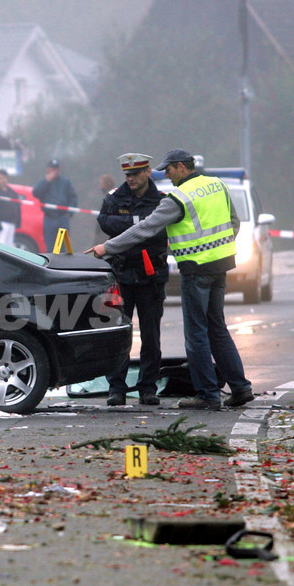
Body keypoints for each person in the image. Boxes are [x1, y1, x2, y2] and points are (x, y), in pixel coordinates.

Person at [85, 149, 254, 410]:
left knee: (196, 334)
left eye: (170, 169)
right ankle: (240, 387)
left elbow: (145, 228)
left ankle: (208, 394)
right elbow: (234, 222)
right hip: (219, 266)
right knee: (217, 328)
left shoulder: (178, 197)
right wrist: (216, 248)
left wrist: (106, 248)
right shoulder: (217, 185)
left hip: (194, 270)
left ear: (182, 167)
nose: (167, 174)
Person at [96, 154, 168, 407]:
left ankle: (148, 389)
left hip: (151, 278)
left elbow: (160, 230)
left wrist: (127, 226)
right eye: (127, 175)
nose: (131, 179)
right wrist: (140, 224)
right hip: (121, 276)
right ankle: (116, 389)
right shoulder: (115, 198)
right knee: (118, 335)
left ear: (147, 172)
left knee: (151, 336)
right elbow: (105, 222)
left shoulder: (161, 201)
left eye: (136, 174)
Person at [32, 158, 78, 252]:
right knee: (51, 248)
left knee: (62, 248)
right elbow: (36, 193)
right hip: (49, 219)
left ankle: (63, 266)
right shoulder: (43, 182)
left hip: (62, 218)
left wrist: (70, 212)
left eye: (55, 168)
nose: (54, 171)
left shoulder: (65, 182)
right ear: (48, 169)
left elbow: (73, 197)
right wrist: (46, 181)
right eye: (52, 168)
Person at [94, 173, 117, 242]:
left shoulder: (110, 196)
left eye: (101, 183)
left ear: (106, 184)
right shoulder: (109, 195)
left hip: (106, 232)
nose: (100, 186)